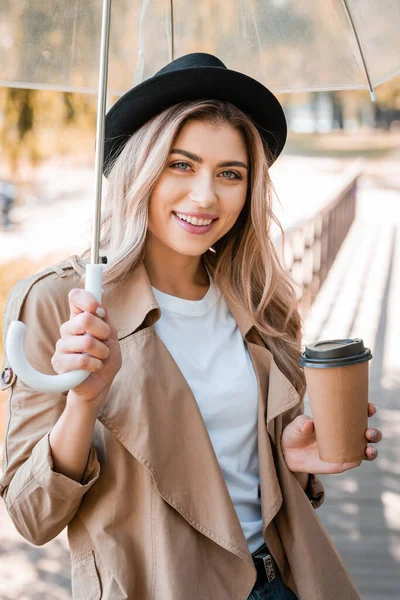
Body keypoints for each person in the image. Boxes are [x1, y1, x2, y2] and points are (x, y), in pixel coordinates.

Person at [0, 53, 382, 600]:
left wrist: (290, 463)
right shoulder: (62, 304)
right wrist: (83, 404)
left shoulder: (259, 299)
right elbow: (32, 517)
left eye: (230, 174)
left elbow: (245, 482)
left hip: (283, 580)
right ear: (141, 169)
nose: (205, 197)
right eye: (181, 164)